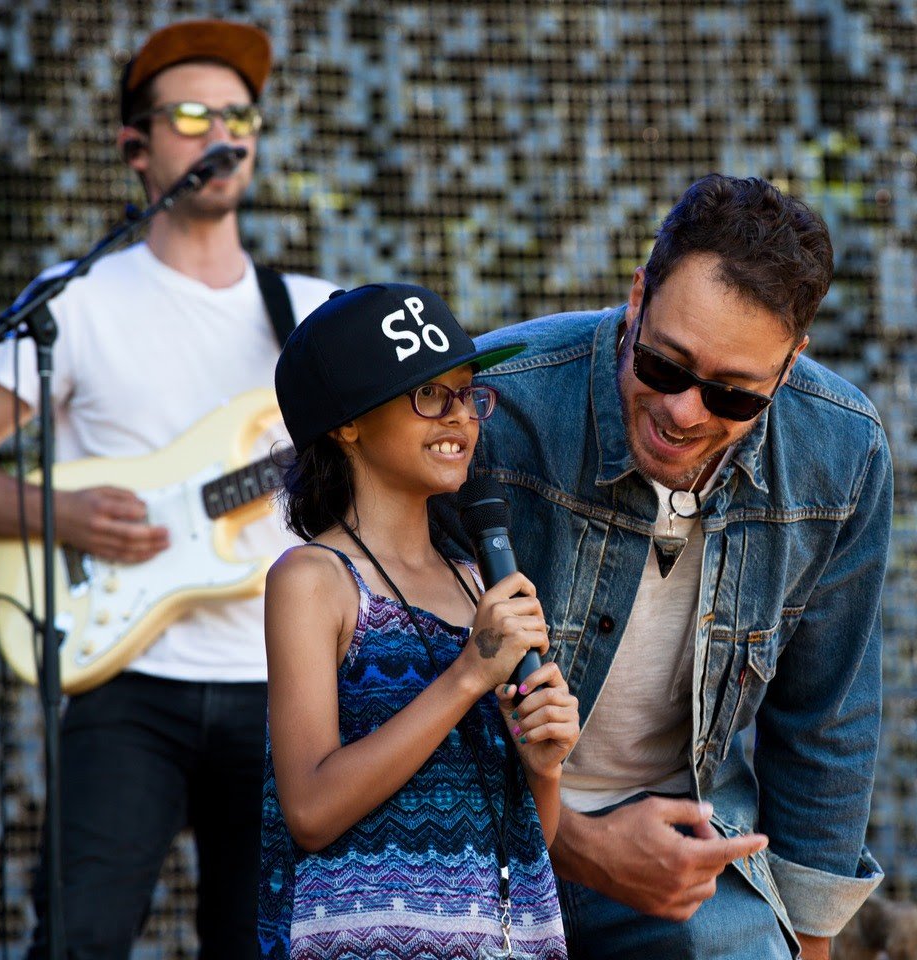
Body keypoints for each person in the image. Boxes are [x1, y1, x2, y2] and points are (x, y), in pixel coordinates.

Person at [0, 19, 337, 959]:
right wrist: (63, 515)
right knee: (78, 938)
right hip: (124, 682)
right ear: (137, 148)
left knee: (265, 945)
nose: (225, 135)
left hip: (283, 686)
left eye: (240, 116)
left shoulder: (314, 314)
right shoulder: (76, 301)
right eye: (195, 116)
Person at [462, 175, 893, 959]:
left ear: (789, 366)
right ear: (637, 298)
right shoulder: (494, 407)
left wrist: (807, 941)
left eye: (733, 396)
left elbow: (826, 721)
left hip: (687, 848)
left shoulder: (843, 451)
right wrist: (580, 846)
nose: (684, 411)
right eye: (665, 365)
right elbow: (389, 680)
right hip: (468, 828)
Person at [258, 282, 580, 959]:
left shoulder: (477, 584)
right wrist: (468, 676)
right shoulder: (314, 580)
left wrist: (543, 769)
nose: (460, 417)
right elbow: (310, 810)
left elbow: (529, 843)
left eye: (467, 394)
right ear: (346, 423)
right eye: (430, 394)